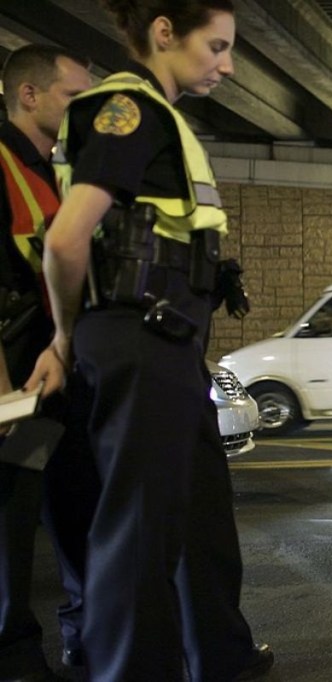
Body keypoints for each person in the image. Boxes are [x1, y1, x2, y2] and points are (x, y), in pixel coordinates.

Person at [26, 2, 272, 680]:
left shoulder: (159, 116)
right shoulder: (127, 109)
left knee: (200, 516)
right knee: (138, 529)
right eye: (216, 46)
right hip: (139, 336)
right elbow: (66, 240)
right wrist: (65, 338)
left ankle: (219, 656)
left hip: (168, 341)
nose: (228, 65)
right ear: (164, 32)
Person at [0, 44, 92, 682]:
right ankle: (16, 659)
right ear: (29, 95)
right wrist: (4, 394)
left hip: (60, 379)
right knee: (13, 524)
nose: (83, 108)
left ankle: (85, 638)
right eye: (72, 95)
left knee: (76, 507)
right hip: (21, 383)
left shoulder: (54, 172)